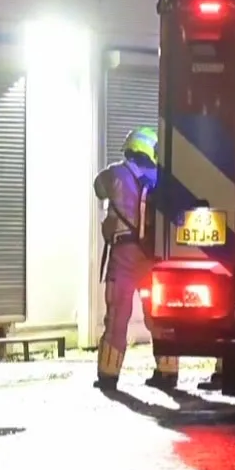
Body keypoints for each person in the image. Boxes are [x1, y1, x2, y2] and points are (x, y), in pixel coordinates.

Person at [94, 126, 181, 393]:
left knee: (118, 315)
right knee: (158, 314)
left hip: (123, 256)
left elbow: (98, 188)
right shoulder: (161, 178)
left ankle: (109, 376)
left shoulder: (116, 174)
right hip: (152, 257)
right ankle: (167, 372)